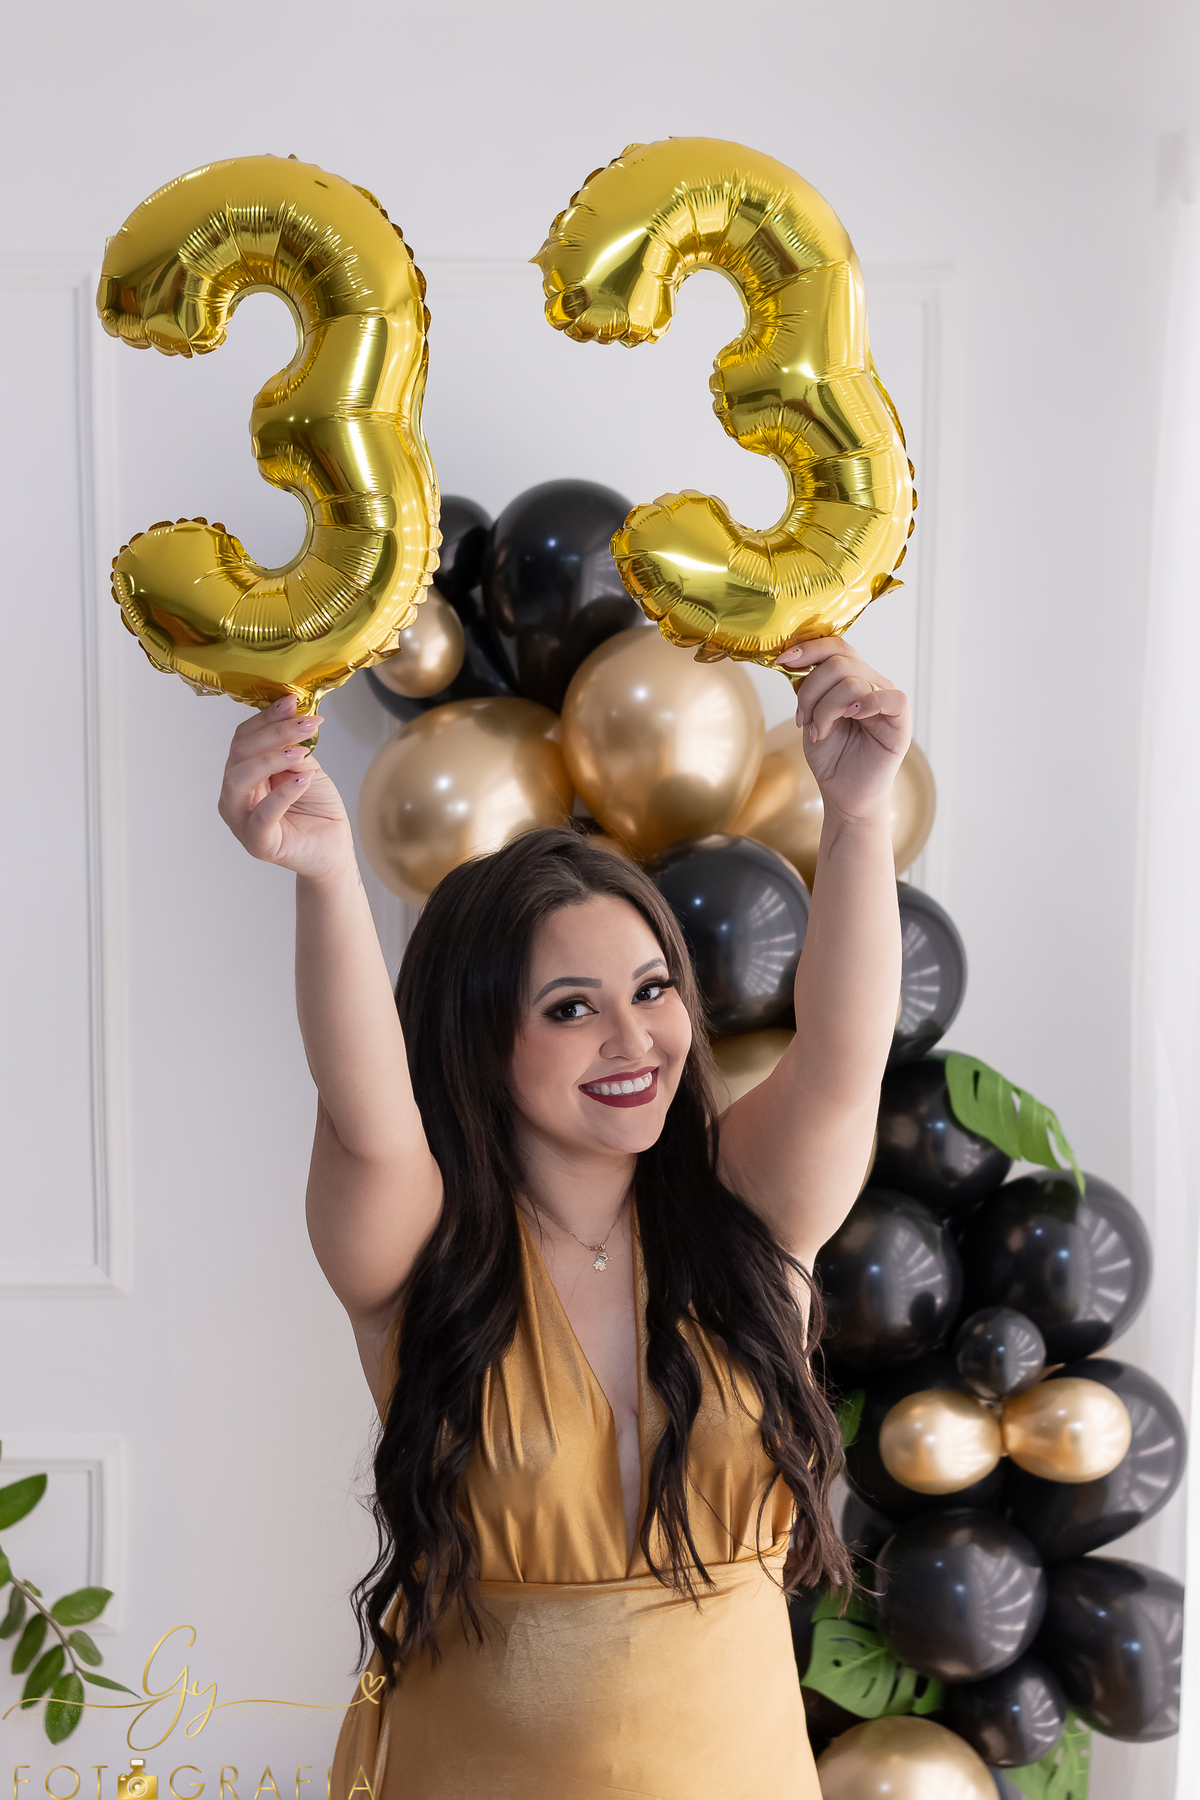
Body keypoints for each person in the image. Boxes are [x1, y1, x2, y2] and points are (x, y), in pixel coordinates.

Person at [217, 634, 909, 1800]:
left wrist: (859, 818)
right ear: (484, 1039)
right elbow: (369, 1113)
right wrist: (327, 876)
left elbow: (843, 1055)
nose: (635, 1042)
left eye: (652, 991)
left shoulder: (749, 1211)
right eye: (570, 1008)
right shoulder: (418, 1251)